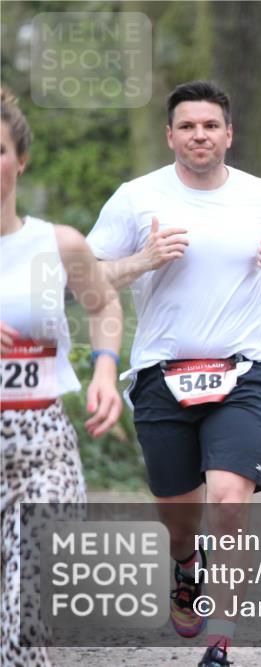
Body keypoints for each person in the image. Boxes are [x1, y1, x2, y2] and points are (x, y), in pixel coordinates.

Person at [85, 81, 261, 667]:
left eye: (210, 125)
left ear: (229, 134)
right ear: (170, 136)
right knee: (179, 516)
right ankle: (187, 565)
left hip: (243, 372)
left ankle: (222, 637)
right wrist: (143, 260)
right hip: (163, 373)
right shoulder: (137, 198)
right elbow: (86, 278)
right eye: (187, 126)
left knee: (230, 497)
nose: (199, 135)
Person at [1, 87, 123, 667]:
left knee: (28, 616)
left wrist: (104, 369)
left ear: (19, 160)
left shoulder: (58, 244)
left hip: (41, 446)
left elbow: (102, 307)